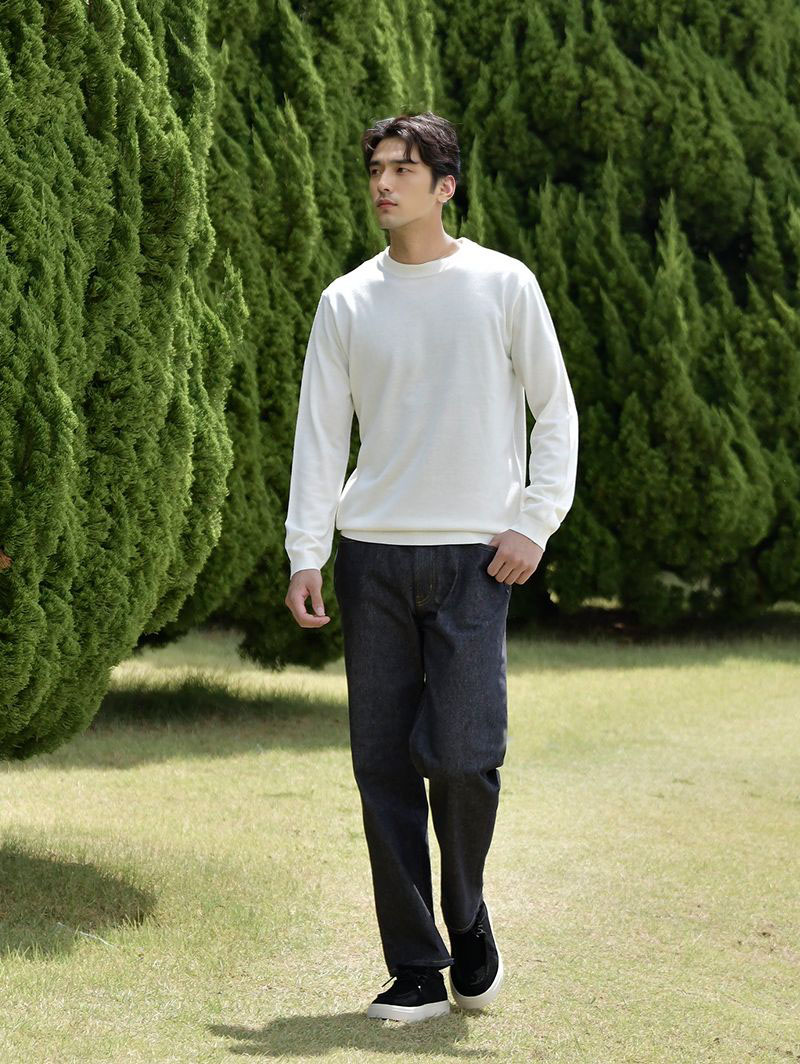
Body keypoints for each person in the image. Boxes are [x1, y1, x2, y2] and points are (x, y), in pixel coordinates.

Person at [284, 111, 579, 1023]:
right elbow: (320, 435)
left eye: (403, 169)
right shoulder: (347, 301)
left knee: (462, 757)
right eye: (376, 167)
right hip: (372, 556)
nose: (383, 183)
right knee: (381, 767)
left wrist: (533, 523)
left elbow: (557, 412)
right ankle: (416, 966)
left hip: (475, 561)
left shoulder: (503, 284)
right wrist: (307, 551)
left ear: (445, 185)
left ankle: (469, 917)